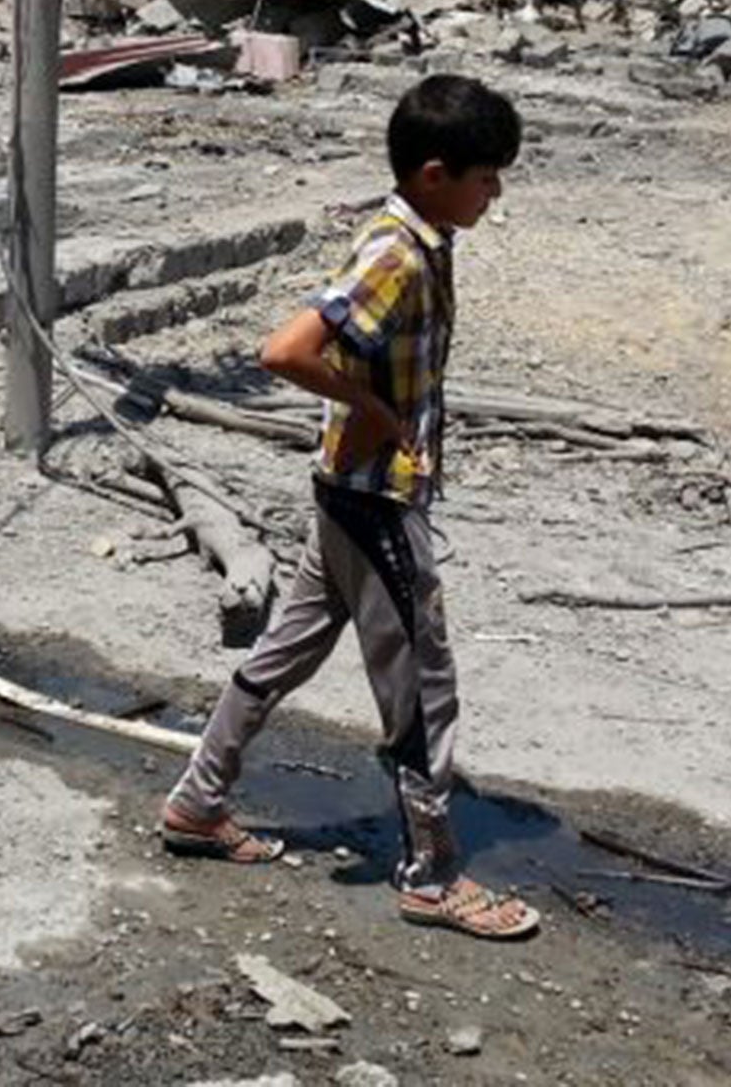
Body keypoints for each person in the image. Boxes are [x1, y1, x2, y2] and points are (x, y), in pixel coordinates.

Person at [161, 73, 540, 942]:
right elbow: (285, 351)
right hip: (375, 503)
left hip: (345, 492)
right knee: (422, 689)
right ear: (436, 173)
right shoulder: (398, 253)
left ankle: (198, 800)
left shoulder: (416, 235)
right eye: (488, 177)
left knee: (283, 652)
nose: (497, 193)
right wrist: (374, 413)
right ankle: (435, 876)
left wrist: (374, 412)